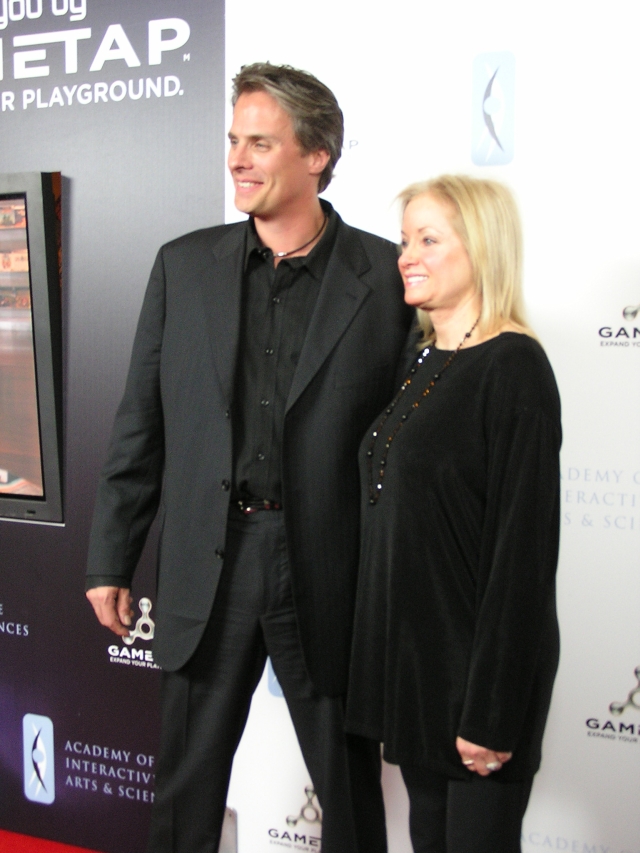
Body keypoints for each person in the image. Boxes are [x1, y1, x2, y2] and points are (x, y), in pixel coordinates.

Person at [85, 63, 412, 853]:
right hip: (210, 560)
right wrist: (110, 558)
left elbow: (404, 454)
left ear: (318, 155)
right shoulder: (182, 265)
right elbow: (140, 424)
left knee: (349, 792)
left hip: (328, 568)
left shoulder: (387, 277)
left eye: (261, 143)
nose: (237, 158)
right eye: (234, 139)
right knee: (185, 791)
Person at [346, 175, 561, 853]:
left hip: (477, 685)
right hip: (418, 676)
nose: (407, 255)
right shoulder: (423, 359)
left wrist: (491, 710)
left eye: (429, 239)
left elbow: (522, 558)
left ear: (482, 248)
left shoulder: (515, 367)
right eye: (405, 240)